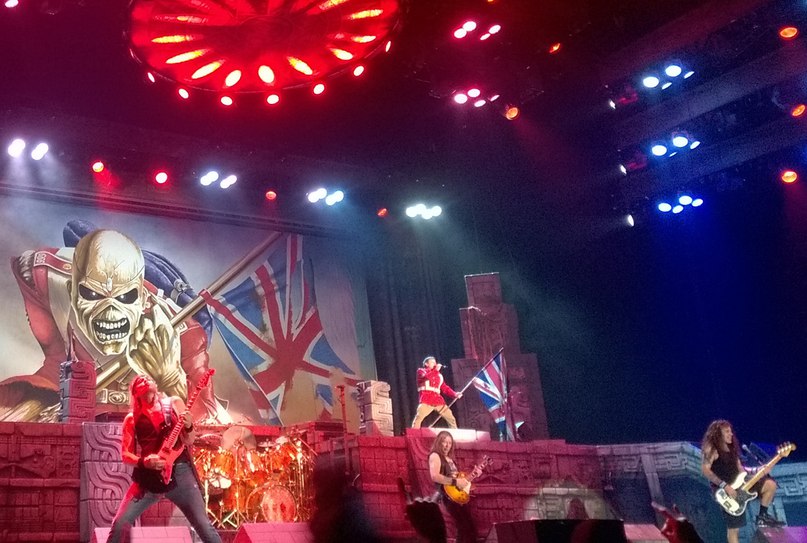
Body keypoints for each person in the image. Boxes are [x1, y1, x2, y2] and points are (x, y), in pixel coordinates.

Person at [106, 375, 222, 543]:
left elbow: (189, 440)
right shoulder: (131, 419)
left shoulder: (174, 403)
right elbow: (125, 455)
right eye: (139, 380)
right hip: (149, 478)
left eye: (147, 378)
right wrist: (144, 462)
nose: (144, 379)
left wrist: (189, 426)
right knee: (120, 523)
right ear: (135, 392)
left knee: (203, 525)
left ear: (155, 385)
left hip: (180, 472)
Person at [701, 419, 781, 543]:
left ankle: (762, 516)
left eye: (731, 431)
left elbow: (742, 470)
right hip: (725, 492)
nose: (731, 434)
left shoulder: (732, 449)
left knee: (770, 484)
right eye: (727, 432)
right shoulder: (712, 449)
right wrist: (725, 486)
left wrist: (759, 470)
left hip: (741, 485)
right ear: (718, 434)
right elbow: (705, 470)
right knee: (734, 530)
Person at [428, 431, 478, 543]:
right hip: (447, 496)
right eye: (444, 442)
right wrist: (456, 482)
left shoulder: (450, 459)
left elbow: (460, 482)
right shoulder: (435, 455)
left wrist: (474, 474)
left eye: (449, 443)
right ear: (438, 442)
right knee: (464, 526)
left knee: (466, 527)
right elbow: (435, 476)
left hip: (457, 496)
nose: (447, 445)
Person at [412, 356, 461, 428]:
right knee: (418, 418)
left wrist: (455, 394)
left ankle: (454, 434)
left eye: (435, 362)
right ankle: (414, 434)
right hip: (426, 400)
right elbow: (427, 377)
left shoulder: (439, 375)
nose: (434, 364)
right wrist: (435, 370)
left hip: (438, 401)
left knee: (451, 419)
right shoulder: (421, 371)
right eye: (432, 362)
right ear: (426, 364)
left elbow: (444, 388)